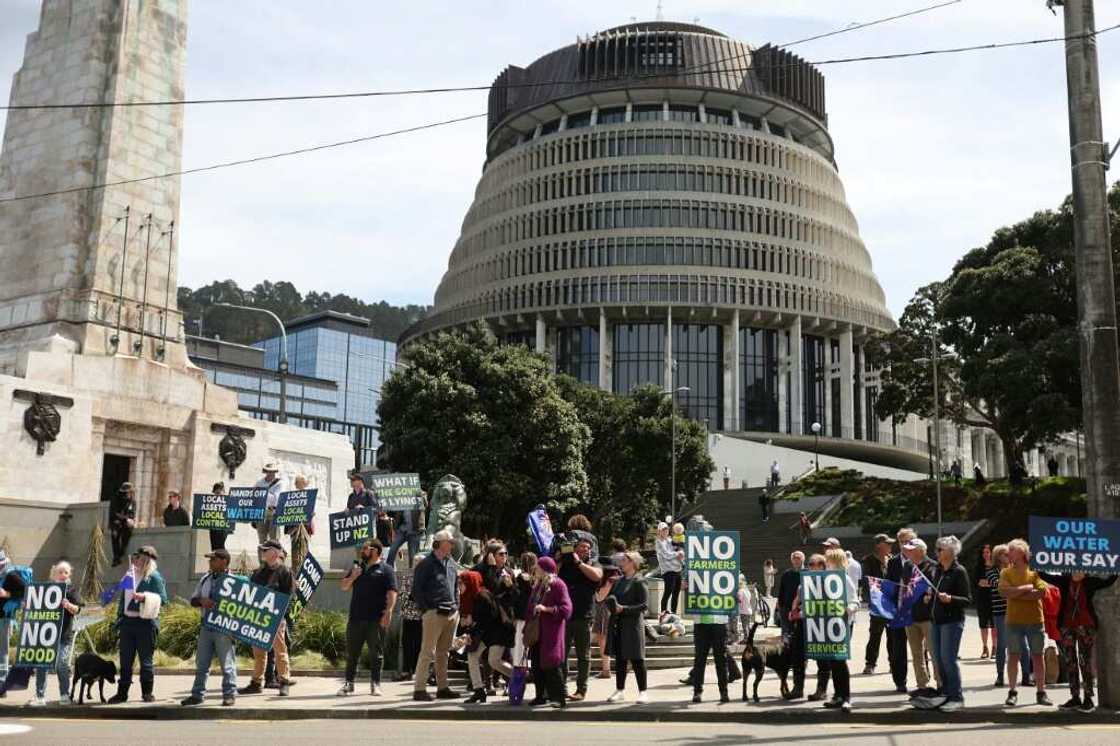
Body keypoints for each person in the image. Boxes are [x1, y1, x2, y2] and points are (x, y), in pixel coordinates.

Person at [1038, 568, 1116, 712]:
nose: (1077, 573)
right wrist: (1034, 561)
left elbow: (1108, 581)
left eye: (1081, 570)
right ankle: (1075, 697)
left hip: (1086, 626)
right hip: (1067, 626)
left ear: (1086, 572)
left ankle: (1088, 698)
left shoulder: (1089, 583)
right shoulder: (1064, 581)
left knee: (1085, 661)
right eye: (1074, 570)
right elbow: (1044, 575)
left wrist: (1116, 566)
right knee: (1070, 661)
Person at [915, 536, 971, 712]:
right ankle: (946, 692)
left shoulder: (959, 571)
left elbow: (967, 600)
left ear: (951, 552)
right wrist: (929, 597)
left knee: (948, 659)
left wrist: (951, 599)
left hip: (952, 622)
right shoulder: (938, 570)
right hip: (936, 621)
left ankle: (957, 696)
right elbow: (934, 591)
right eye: (937, 549)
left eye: (940, 550)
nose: (937, 553)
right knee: (938, 660)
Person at [336, 538, 397, 696]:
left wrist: (388, 611)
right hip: (356, 618)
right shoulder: (357, 567)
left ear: (375, 551)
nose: (362, 551)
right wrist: (353, 577)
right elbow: (343, 587)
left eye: (365, 548)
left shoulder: (386, 569)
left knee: (376, 654)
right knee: (352, 653)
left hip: (376, 619)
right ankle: (349, 684)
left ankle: (375, 684)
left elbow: (392, 592)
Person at [107, 546, 168, 704]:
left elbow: (164, 600)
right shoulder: (130, 575)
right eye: (135, 557)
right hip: (127, 623)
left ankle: (147, 692)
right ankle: (122, 693)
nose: (135, 560)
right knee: (125, 661)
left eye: (138, 557)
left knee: (145, 661)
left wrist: (145, 597)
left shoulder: (153, 577)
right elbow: (123, 598)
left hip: (145, 623)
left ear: (147, 560)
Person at [998, 538, 1053, 707]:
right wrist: (1025, 589)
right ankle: (1012, 692)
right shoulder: (1005, 573)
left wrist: (1016, 593)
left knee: (1037, 655)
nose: (1008, 554)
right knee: (1013, 655)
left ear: (1022, 552)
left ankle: (1041, 692)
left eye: (1011, 550)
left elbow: (1042, 592)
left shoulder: (1035, 571)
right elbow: (1003, 591)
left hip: (1035, 620)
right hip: (1013, 621)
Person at [181, 549, 237, 707]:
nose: (210, 562)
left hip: (224, 627)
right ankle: (197, 695)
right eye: (210, 559)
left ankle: (229, 694)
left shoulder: (234, 581)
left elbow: (241, 607)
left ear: (224, 561)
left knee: (227, 663)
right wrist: (201, 601)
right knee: (202, 663)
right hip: (206, 626)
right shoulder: (205, 578)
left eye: (213, 559)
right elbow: (193, 600)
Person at [238, 540, 293, 696]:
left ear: (274, 553)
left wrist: (280, 617)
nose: (262, 552)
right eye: (262, 549)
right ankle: (256, 682)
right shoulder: (258, 573)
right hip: (258, 617)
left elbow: (288, 597)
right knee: (259, 652)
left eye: (265, 550)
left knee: (280, 650)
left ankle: (284, 681)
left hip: (276, 618)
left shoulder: (284, 572)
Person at [412, 530, 461, 701]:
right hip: (434, 613)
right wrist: (427, 609)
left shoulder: (451, 564)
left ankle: (442, 687)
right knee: (428, 652)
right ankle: (419, 689)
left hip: (451, 613)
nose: (452, 545)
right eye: (450, 542)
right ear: (440, 543)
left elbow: (455, 587)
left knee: (443, 653)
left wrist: (456, 607)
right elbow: (416, 589)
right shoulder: (426, 564)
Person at [29, 561, 81, 706]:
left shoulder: (71, 590)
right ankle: (40, 696)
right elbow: (35, 608)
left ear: (69, 574)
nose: (63, 575)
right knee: (42, 664)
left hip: (64, 634)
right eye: (60, 572)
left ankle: (64, 695)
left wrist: (68, 605)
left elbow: (78, 609)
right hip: (46, 635)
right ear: (54, 574)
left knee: (62, 664)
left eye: (66, 572)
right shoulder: (46, 590)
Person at [557, 536, 602, 701]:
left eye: (588, 548)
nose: (586, 550)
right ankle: (561, 688)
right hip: (566, 616)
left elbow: (597, 576)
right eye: (582, 547)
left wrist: (578, 563)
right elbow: (551, 576)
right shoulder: (565, 564)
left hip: (584, 616)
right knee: (562, 654)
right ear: (575, 549)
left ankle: (581, 689)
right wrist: (560, 559)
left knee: (584, 655)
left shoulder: (592, 563)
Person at [603, 551, 649, 704]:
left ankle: (643, 692)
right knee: (621, 659)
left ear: (632, 563)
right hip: (619, 624)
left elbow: (644, 605)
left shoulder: (639, 581)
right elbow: (611, 598)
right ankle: (620, 690)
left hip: (633, 625)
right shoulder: (619, 581)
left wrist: (624, 609)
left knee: (637, 659)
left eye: (624, 560)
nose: (621, 562)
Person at [527, 556, 572, 708]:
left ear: (545, 569)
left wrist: (546, 609)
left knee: (551, 664)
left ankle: (559, 698)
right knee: (537, 665)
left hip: (551, 632)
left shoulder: (558, 585)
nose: (535, 569)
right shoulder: (538, 585)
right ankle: (541, 696)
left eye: (538, 567)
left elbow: (566, 609)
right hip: (537, 632)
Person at [464, 568, 514, 703]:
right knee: (472, 656)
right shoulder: (473, 597)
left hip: (498, 633)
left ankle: (517, 675)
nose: (460, 586)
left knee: (494, 661)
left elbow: (486, 620)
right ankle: (479, 690)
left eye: (462, 583)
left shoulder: (482, 596)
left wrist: (471, 629)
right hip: (488, 634)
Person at [900, 537, 941, 699]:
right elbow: (905, 589)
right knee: (916, 654)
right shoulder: (907, 566)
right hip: (911, 616)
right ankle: (922, 685)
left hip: (929, 617)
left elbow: (935, 588)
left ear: (920, 551)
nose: (907, 552)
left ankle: (940, 684)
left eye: (910, 549)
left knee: (934, 652)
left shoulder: (933, 566)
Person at [819, 549, 858, 711]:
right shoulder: (824, 579)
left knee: (839, 660)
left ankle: (846, 697)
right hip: (829, 624)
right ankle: (837, 695)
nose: (826, 564)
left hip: (842, 624)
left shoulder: (845, 579)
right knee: (832, 661)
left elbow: (855, 601)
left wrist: (849, 609)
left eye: (829, 561)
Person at [884, 527, 916, 693]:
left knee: (919, 648)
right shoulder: (893, 562)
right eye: (902, 542)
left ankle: (922, 681)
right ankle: (900, 681)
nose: (905, 545)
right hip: (897, 611)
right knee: (898, 648)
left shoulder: (920, 560)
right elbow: (888, 585)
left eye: (908, 541)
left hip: (916, 611)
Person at [861, 533, 895, 675]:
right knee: (875, 635)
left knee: (893, 637)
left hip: (892, 604)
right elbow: (866, 583)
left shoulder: (892, 559)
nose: (890, 546)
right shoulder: (868, 561)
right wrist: (871, 602)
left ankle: (894, 664)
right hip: (877, 604)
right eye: (887, 543)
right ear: (879, 545)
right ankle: (870, 664)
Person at [0, 549, 29, 696]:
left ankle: (2, 683)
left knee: (2, 651)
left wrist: (7, 594)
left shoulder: (11, 575)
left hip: (4, 618)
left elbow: (28, 590)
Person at [388, 489, 427, 568]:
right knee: (392, 549)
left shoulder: (421, 494)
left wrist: (418, 493)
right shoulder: (402, 496)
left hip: (415, 531)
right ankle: (389, 570)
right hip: (402, 530)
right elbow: (397, 513)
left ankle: (412, 574)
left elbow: (425, 504)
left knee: (413, 556)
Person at [654, 522, 683, 619]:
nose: (665, 531)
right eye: (663, 529)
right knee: (668, 593)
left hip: (677, 569)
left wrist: (680, 552)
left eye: (666, 529)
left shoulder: (670, 540)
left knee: (676, 593)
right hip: (668, 571)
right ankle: (663, 615)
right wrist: (677, 554)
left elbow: (678, 549)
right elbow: (666, 555)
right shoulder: (658, 542)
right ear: (659, 531)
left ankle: (674, 616)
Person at [254, 463, 285, 545]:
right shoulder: (259, 483)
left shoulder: (279, 483)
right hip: (261, 513)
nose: (271, 473)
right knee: (262, 538)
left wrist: (263, 493)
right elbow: (254, 496)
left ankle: (274, 556)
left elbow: (277, 498)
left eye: (273, 471)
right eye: (269, 471)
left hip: (274, 512)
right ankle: (262, 557)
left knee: (274, 538)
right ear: (266, 472)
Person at [776, 551, 805, 639]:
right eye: (794, 559)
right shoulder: (786, 574)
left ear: (803, 559)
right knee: (786, 633)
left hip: (802, 608)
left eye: (798, 558)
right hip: (786, 608)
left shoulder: (807, 573)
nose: (796, 561)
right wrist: (779, 604)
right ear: (791, 560)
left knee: (800, 633)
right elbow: (781, 590)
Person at [974, 544, 996, 659]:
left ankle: (994, 647)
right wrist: (991, 583)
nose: (986, 554)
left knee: (994, 624)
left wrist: (987, 583)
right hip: (982, 598)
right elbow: (978, 582)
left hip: (994, 597)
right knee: (983, 624)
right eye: (984, 552)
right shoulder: (979, 566)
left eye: (988, 552)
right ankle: (985, 647)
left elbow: (997, 582)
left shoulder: (996, 566)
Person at [109, 482, 137, 566]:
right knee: (115, 534)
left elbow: (132, 513)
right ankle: (116, 557)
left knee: (128, 531)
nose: (129, 494)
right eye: (127, 492)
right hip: (116, 520)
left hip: (126, 522)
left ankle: (121, 553)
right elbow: (115, 513)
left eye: (130, 492)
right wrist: (126, 519)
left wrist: (130, 520)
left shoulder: (132, 501)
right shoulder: (116, 499)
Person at [208, 482, 230, 551]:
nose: (217, 495)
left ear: (223, 492)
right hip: (213, 527)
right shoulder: (211, 503)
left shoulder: (227, 502)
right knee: (214, 546)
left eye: (218, 493)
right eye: (215, 493)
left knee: (220, 545)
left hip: (223, 527)